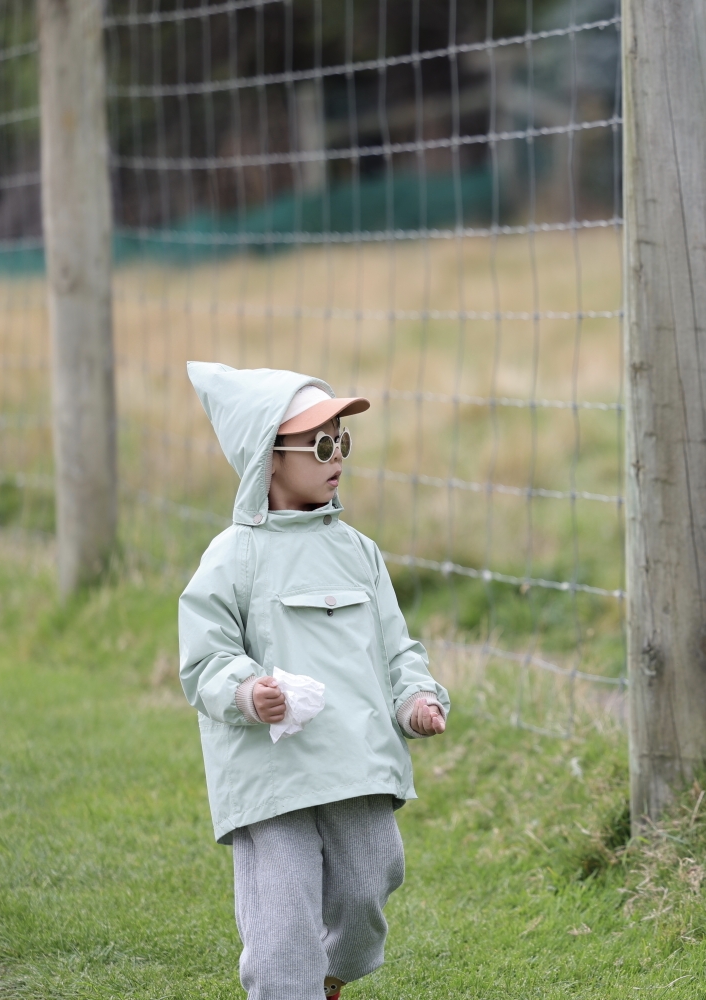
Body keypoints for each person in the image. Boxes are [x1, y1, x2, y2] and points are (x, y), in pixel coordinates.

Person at [178, 362, 450, 1000]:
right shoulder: (233, 556)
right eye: (321, 444)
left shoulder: (359, 552)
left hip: (353, 761)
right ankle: (289, 986)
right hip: (270, 774)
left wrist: (415, 698)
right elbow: (206, 658)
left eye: (343, 442)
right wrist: (248, 691)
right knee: (283, 916)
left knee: (370, 878)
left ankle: (329, 973)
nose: (337, 458)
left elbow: (396, 646)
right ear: (267, 457)